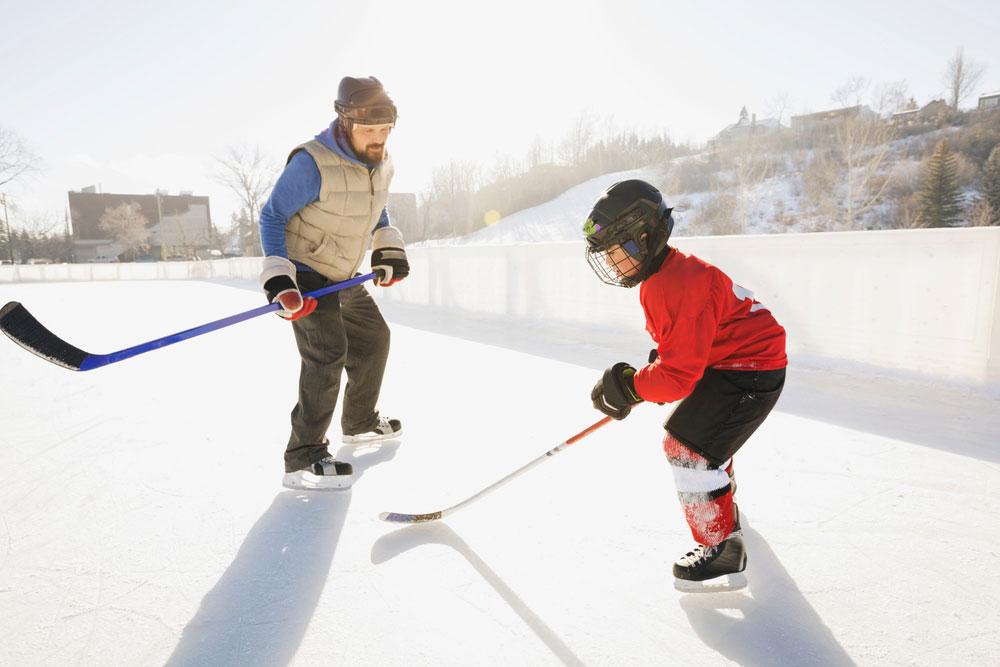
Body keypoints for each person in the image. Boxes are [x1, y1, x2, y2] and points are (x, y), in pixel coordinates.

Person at [584, 179, 787, 589]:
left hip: (750, 371)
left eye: (617, 250)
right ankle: (720, 496)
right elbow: (680, 351)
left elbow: (677, 377)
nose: (613, 262)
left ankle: (721, 545)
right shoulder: (665, 276)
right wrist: (646, 377)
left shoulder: (677, 283)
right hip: (732, 363)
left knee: (688, 448)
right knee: (701, 437)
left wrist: (634, 385)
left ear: (645, 237)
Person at [258, 76, 409, 491]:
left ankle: (359, 421)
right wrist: (280, 281)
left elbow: (373, 207)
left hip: (342, 272)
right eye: (369, 130)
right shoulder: (312, 163)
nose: (377, 138)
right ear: (344, 122)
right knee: (327, 354)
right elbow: (271, 216)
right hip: (305, 270)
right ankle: (302, 457)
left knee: (374, 337)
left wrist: (386, 246)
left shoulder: (381, 162)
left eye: (385, 130)